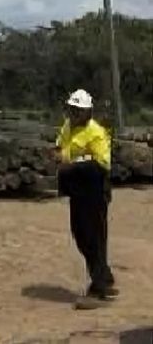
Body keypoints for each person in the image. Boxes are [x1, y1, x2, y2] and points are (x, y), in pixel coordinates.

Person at [56, 88, 117, 309]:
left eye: (78, 110)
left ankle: (99, 288)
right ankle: (104, 277)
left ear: (88, 112)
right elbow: (61, 148)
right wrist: (63, 157)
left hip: (94, 189)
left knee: (94, 237)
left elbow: (102, 164)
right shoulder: (67, 126)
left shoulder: (96, 132)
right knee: (80, 234)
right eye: (72, 109)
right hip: (77, 190)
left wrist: (73, 164)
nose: (74, 113)